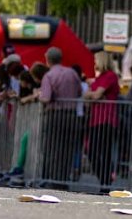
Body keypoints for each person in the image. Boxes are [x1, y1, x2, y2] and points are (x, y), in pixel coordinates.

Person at [38, 47, 83, 187]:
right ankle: (63, 179)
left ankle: (54, 179)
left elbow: (46, 98)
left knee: (53, 148)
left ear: (47, 60)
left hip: (55, 115)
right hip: (71, 116)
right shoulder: (72, 73)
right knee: (67, 149)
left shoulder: (49, 76)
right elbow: (80, 91)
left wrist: (38, 96)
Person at [84, 53, 120, 187]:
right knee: (93, 150)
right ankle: (105, 180)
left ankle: (105, 181)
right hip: (96, 118)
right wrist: (92, 95)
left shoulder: (110, 76)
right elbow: (91, 96)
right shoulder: (100, 78)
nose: (94, 64)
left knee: (101, 151)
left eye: (96, 61)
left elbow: (96, 95)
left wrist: (92, 95)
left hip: (106, 118)